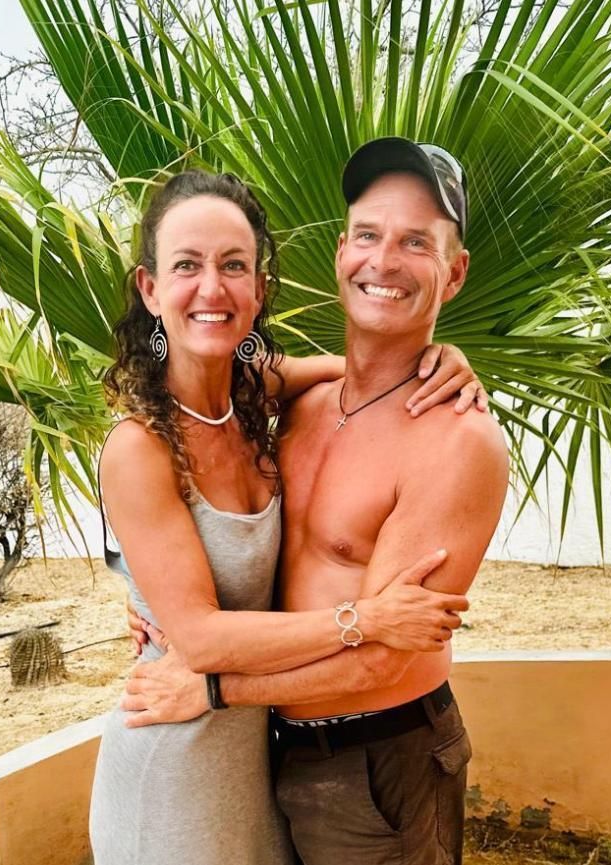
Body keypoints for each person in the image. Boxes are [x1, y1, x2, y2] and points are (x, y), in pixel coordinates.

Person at [121, 139, 510, 865]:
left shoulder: (457, 442)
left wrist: (210, 686)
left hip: (376, 759)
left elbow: (381, 661)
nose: (383, 261)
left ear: (453, 273)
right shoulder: (291, 404)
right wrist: (161, 603)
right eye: (368, 234)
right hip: (270, 752)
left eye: (415, 243)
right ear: (340, 252)